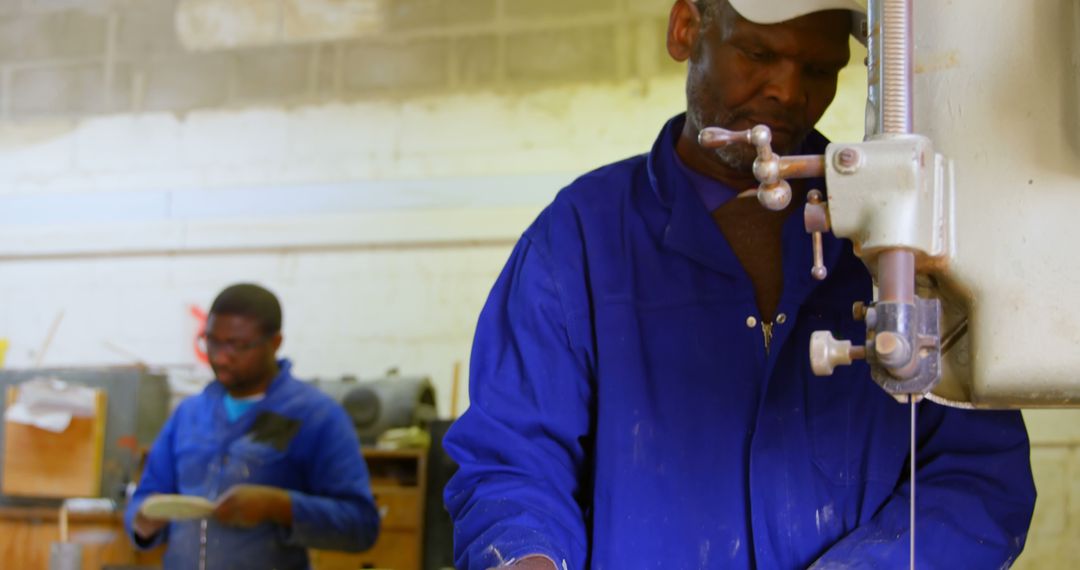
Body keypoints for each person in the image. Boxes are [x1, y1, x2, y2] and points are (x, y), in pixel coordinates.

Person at [443, 1, 1036, 568]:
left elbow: (979, 474)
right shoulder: (578, 239)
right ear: (685, 29)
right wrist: (524, 557)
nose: (788, 91)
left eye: (818, 69)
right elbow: (513, 461)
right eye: (756, 53)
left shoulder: (901, 239)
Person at [124, 283, 380, 569]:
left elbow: (361, 524)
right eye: (212, 341)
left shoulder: (316, 416)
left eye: (238, 345)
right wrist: (143, 519)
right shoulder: (189, 415)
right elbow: (145, 496)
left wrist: (280, 506)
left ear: (275, 342)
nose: (221, 356)